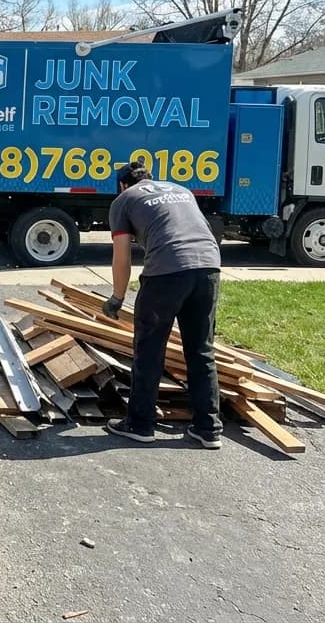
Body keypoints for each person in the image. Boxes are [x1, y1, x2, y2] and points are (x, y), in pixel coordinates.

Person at [101, 160, 224, 449]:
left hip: (166, 274)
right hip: (209, 268)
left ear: (122, 184)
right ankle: (208, 429)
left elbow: (122, 257)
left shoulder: (124, 200)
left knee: (149, 349)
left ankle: (140, 425)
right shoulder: (181, 190)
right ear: (149, 178)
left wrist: (117, 298)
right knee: (201, 349)